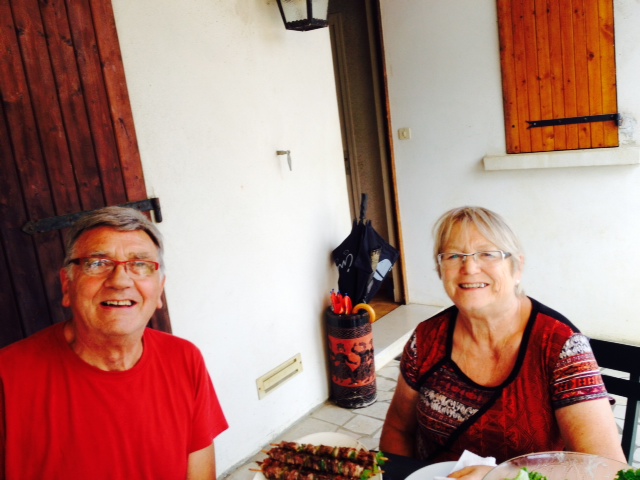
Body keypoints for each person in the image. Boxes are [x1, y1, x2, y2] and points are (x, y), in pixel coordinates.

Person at [379, 206, 625, 480]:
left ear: (517, 267)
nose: (469, 267)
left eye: (487, 254)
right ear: (441, 270)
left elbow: (607, 469)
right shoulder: (426, 339)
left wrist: (501, 475)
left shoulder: (560, 348)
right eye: (454, 255)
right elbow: (398, 430)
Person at [0, 206, 228, 479]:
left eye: (140, 264)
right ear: (67, 285)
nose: (120, 281)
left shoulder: (185, 358)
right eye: (97, 263)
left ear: (159, 290)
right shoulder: (7, 378)